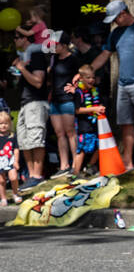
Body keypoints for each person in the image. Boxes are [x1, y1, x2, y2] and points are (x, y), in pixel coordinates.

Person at [91, 0, 134, 172]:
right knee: (125, 123)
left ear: (123, 13)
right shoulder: (115, 33)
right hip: (123, 84)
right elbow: (105, 54)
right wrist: (89, 69)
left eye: (115, 18)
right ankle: (127, 161)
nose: (114, 22)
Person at [12, 30, 50, 191]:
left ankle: (37, 175)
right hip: (24, 103)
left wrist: (22, 69)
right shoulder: (25, 56)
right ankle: (31, 175)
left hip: (36, 103)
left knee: (36, 138)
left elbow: (38, 82)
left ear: (25, 38)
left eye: (16, 37)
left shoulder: (37, 55)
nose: (13, 41)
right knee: (24, 141)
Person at [46, 32, 83, 178]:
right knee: (59, 133)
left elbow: (82, 75)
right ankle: (63, 165)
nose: (53, 47)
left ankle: (76, 163)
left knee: (70, 132)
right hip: (55, 99)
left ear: (64, 45)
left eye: (56, 44)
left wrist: (75, 87)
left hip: (67, 99)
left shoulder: (73, 59)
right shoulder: (54, 59)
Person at [70, 65, 104, 177]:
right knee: (82, 149)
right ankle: (75, 174)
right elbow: (77, 110)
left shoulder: (95, 90)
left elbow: (98, 103)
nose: (91, 80)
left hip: (96, 125)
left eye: (93, 77)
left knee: (100, 145)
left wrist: (100, 108)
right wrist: (94, 109)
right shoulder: (78, 92)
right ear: (81, 79)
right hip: (84, 126)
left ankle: (90, 166)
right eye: (88, 77)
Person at [0, 110, 18, 205]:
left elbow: (16, 149)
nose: (3, 125)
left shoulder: (12, 136)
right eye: (1, 123)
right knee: (1, 181)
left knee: (14, 177)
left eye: (5, 123)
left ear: (9, 124)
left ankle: (15, 194)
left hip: (11, 160)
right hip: (0, 162)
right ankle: (3, 198)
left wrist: (16, 161)